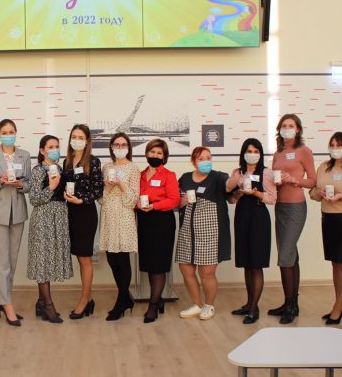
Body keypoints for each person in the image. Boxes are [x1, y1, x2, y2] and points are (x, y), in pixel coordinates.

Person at [176, 146, 238, 321]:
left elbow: (229, 186)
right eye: (201, 158)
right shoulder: (185, 178)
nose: (205, 161)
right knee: (186, 268)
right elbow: (175, 201)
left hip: (211, 232)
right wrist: (181, 202)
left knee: (207, 272)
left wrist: (235, 178)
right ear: (193, 161)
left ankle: (208, 305)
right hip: (187, 231)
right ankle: (196, 304)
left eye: (208, 158)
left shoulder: (218, 177)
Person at [0, 119, 31, 327]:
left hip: (17, 213)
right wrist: (0, 181)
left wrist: (20, 184)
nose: (8, 135)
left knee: (11, 262)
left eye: (11, 132)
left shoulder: (24, 155)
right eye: (4, 132)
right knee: (0, 262)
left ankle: (5, 301)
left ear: (16, 133)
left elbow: (29, 184)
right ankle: (7, 304)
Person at [269, 114, 316, 324]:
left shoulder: (304, 151)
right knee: (289, 254)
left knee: (285, 255)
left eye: (291, 125)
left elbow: (312, 180)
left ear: (298, 130)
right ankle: (291, 303)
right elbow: (273, 179)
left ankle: (290, 304)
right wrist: (276, 182)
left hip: (296, 207)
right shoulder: (278, 153)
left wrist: (295, 179)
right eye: (284, 125)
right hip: (280, 207)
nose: (287, 128)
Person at [229, 139, 276, 324]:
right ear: (243, 153)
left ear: (261, 154)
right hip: (242, 217)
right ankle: (249, 304)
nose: (252, 154)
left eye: (256, 151)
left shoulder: (266, 172)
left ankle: (254, 308)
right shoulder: (238, 172)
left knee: (256, 264)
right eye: (249, 151)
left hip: (258, 217)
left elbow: (272, 198)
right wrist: (239, 192)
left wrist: (256, 193)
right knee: (247, 263)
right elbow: (231, 199)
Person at [26, 135, 73, 323]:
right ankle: (48, 305)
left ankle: (40, 302)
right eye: (50, 147)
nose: (55, 149)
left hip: (59, 218)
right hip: (43, 219)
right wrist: (51, 187)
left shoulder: (60, 169)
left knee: (50, 260)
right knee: (42, 261)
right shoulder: (38, 171)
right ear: (42, 150)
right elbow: (34, 199)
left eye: (57, 146)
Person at [63, 124, 104, 319]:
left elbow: (98, 189)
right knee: (80, 258)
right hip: (70, 212)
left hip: (85, 213)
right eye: (74, 136)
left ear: (87, 141)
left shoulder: (93, 161)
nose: (77, 140)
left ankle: (84, 301)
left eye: (81, 137)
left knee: (85, 258)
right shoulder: (67, 161)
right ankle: (89, 298)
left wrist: (81, 200)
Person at [137, 138, 180, 323]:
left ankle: (153, 306)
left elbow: (174, 200)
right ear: (147, 153)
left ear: (164, 156)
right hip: (144, 221)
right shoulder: (140, 175)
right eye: (152, 152)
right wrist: (137, 204)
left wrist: (154, 206)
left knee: (158, 265)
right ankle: (159, 300)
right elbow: (135, 196)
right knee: (148, 264)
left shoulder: (168, 175)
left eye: (159, 153)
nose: (155, 155)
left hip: (162, 221)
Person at [310, 131, 342, 325]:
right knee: (334, 263)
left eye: (339, 145)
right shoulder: (324, 167)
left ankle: (339, 306)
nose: (335, 149)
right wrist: (319, 193)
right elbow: (313, 193)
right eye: (332, 145)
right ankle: (339, 303)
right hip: (328, 218)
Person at [99, 132, 140, 321]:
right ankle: (126, 299)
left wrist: (121, 184)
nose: (120, 147)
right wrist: (108, 186)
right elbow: (101, 199)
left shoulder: (134, 169)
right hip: (108, 216)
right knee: (112, 260)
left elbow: (132, 200)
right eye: (117, 144)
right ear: (111, 147)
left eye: (124, 145)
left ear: (129, 148)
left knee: (122, 260)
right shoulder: (106, 167)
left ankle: (120, 303)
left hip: (124, 217)